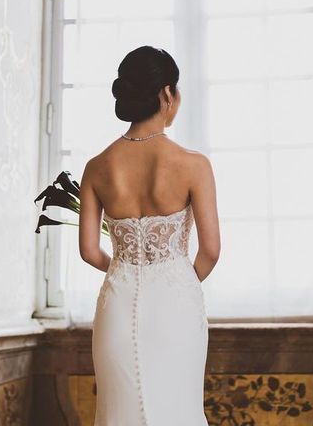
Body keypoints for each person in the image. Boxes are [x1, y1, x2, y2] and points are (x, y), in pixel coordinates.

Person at [77, 46, 221, 425]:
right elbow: (210, 251)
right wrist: (176, 279)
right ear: (167, 94)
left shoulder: (96, 167)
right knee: (180, 409)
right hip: (177, 303)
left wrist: (125, 270)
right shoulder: (193, 165)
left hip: (117, 303)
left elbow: (90, 252)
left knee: (118, 412)